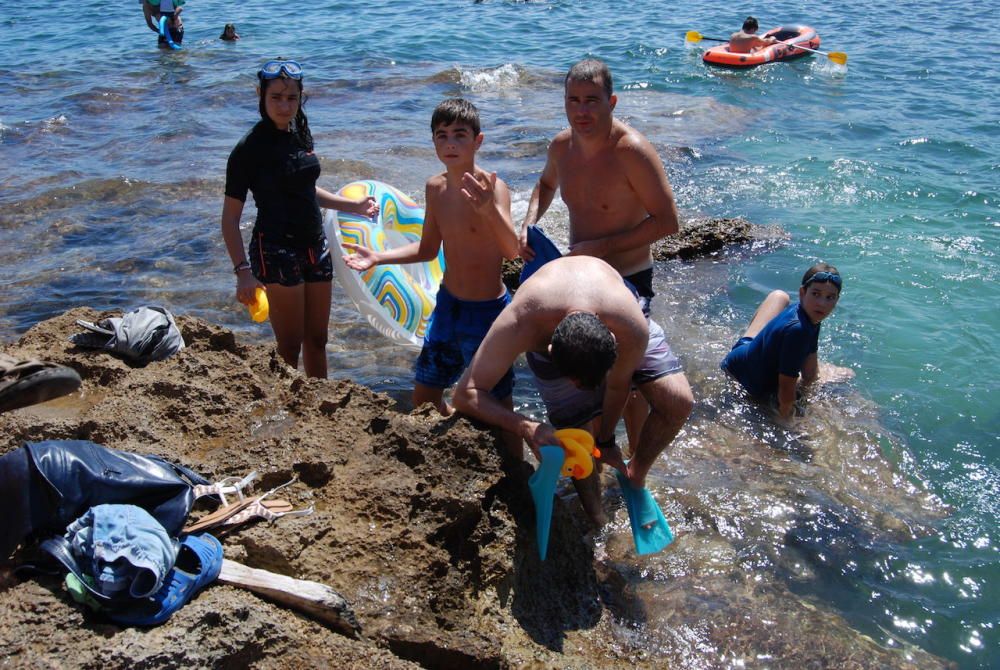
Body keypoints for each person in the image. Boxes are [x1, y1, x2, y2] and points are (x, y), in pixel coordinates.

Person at [518, 58, 690, 456]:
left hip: (628, 279)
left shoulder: (632, 151)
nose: (582, 110)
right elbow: (544, 185)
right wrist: (527, 223)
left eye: (591, 100)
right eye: (573, 100)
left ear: (611, 102)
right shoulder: (561, 147)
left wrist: (603, 247)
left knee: (626, 375)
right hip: (580, 283)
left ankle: (634, 468)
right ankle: (592, 454)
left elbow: (668, 222)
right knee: (581, 377)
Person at [454, 256, 693, 525]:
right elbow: (465, 393)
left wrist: (606, 441)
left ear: (613, 343)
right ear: (551, 352)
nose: (581, 388)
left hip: (614, 308)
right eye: (575, 381)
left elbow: (617, 385)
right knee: (575, 435)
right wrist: (527, 427)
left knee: (678, 402)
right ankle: (596, 516)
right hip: (549, 316)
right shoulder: (521, 322)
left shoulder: (629, 325)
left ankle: (636, 475)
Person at [342, 98, 519, 419]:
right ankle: (461, 429)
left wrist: (488, 210)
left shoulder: (494, 188)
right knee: (424, 397)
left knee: (498, 401)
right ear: (434, 141)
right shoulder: (435, 188)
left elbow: (511, 251)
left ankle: (517, 464)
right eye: (442, 135)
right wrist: (377, 257)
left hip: (488, 311)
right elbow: (426, 250)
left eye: (459, 135)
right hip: (448, 307)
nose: (450, 143)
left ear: (478, 141)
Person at [221, 59, 378, 379]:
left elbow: (306, 189)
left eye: (291, 97)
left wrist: (353, 206)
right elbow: (229, 219)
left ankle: (319, 403)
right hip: (276, 249)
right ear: (260, 95)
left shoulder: (299, 132)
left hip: (315, 245)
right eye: (276, 97)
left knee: (318, 339)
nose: (284, 105)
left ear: (300, 97)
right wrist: (243, 272)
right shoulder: (247, 150)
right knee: (290, 345)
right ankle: (286, 410)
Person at [720, 263, 854, 420]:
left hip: (743, 349)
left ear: (836, 300)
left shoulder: (810, 314)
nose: (822, 303)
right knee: (846, 374)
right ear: (802, 293)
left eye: (829, 298)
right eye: (816, 294)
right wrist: (788, 420)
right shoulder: (798, 330)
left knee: (779, 296)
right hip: (741, 376)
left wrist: (810, 384)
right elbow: (785, 390)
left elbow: (810, 373)